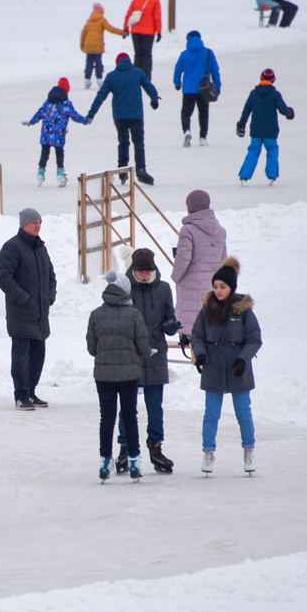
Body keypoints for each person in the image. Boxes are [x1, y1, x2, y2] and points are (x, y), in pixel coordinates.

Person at [191, 257, 262, 474]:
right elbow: (197, 336)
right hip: (213, 368)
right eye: (215, 286)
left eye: (222, 286)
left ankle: (248, 451)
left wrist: (243, 358)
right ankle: (208, 453)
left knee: (243, 412)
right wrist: (201, 354)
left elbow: (254, 339)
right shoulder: (207, 310)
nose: (218, 290)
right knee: (211, 413)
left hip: (237, 369)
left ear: (231, 287)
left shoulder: (243, 310)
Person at [114, 247, 180, 475]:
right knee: (128, 408)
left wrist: (170, 325)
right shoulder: (125, 288)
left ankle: (155, 447)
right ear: (133, 269)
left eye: (147, 271)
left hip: (154, 355)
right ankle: (125, 447)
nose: (143, 275)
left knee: (155, 407)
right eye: (139, 271)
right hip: (130, 355)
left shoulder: (163, 289)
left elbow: (169, 316)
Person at [87, 270, 152, 482]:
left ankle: (105, 462)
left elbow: (91, 347)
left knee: (106, 418)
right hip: (129, 375)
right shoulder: (134, 315)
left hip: (104, 376)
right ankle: (134, 460)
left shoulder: (96, 315)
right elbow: (143, 348)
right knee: (129, 417)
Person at [0, 208, 56, 410]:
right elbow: (2, 275)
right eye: (34, 222)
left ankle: (31, 392)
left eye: (39, 222)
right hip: (21, 314)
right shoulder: (12, 247)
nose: (37, 225)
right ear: (23, 224)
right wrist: (23, 298)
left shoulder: (40, 248)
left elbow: (51, 275)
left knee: (38, 356)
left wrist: (49, 296)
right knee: (21, 357)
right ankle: (20, 395)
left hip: (40, 315)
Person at [86, 52, 161, 185]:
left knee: (123, 142)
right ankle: (141, 170)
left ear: (117, 63)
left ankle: (122, 171)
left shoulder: (112, 76)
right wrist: (154, 100)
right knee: (138, 143)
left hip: (120, 117)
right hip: (136, 115)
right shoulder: (138, 73)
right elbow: (149, 86)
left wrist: (91, 113)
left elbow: (101, 96)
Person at [171, 190, 228, 339]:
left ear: (190, 208)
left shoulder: (188, 230)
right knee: (208, 328)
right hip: (211, 287)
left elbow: (183, 260)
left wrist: (176, 277)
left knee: (192, 331)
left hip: (190, 285)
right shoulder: (220, 231)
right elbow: (223, 262)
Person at [22, 76, 88, 188]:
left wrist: (31, 122)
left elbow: (39, 113)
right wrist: (85, 120)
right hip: (58, 134)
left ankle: (40, 173)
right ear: (67, 90)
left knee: (44, 153)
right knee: (59, 153)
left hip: (46, 133)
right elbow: (75, 116)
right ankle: (60, 175)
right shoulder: (66, 103)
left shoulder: (48, 102)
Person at [237, 68, 295, 184]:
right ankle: (272, 175)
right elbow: (283, 109)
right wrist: (290, 113)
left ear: (261, 78)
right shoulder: (275, 95)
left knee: (253, 151)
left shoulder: (254, 94)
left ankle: (244, 176)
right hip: (270, 130)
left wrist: (241, 124)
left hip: (256, 129)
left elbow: (246, 110)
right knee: (272, 149)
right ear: (273, 80)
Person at [172, 30, 221, 147]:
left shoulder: (184, 55)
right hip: (204, 89)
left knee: (186, 113)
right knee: (203, 113)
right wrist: (217, 86)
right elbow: (215, 71)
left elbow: (177, 70)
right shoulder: (208, 53)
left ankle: (186, 131)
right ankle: (203, 137)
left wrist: (177, 83)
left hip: (188, 89)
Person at [121, 0, 162, 79]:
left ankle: (136, 75)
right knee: (147, 55)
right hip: (149, 32)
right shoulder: (155, 0)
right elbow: (157, 17)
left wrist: (125, 28)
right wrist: (158, 31)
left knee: (138, 54)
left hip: (136, 32)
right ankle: (146, 76)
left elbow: (129, 14)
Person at [80, 2, 126, 89]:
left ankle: (87, 80)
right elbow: (111, 29)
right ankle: (99, 79)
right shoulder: (102, 20)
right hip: (98, 47)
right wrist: (122, 33)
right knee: (98, 63)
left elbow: (83, 34)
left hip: (88, 46)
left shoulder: (89, 21)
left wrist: (82, 45)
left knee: (89, 64)